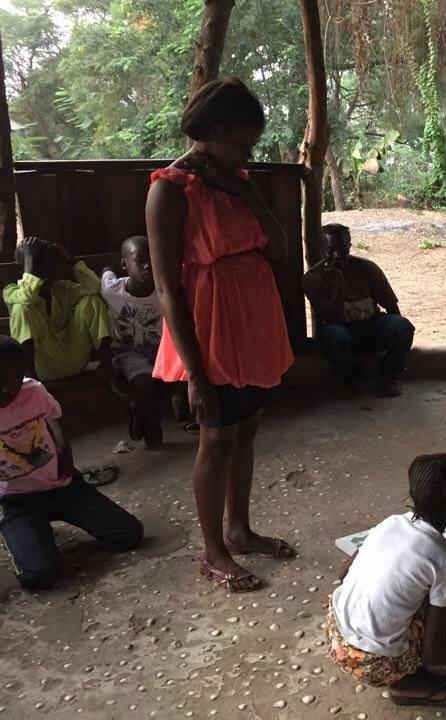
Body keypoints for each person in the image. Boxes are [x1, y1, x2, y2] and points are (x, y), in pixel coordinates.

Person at [146, 78, 295, 593]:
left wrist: (242, 186)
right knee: (216, 437)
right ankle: (212, 551)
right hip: (210, 327)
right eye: (239, 142)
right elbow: (166, 286)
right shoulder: (168, 188)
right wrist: (194, 371)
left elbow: (278, 245)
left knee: (247, 427)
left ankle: (239, 530)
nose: (245, 152)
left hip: (252, 320)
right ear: (209, 132)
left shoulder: (238, 182)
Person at [327, 453, 446, 707]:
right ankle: (406, 682)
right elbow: (435, 653)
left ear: (412, 494)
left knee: (417, 585)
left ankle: (394, 648)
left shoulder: (390, 523)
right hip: (372, 663)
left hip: (334, 634)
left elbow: (343, 574)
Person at [0, 336, 143, 590]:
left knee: (129, 534)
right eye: (0, 381)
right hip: (16, 499)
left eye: (15, 380)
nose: (7, 389)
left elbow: (52, 417)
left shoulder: (32, 390)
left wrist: (65, 453)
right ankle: (25, 532)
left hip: (63, 485)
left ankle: (42, 527)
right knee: (39, 576)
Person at [101, 236, 195, 448]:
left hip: (161, 348)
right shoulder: (112, 290)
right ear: (125, 265)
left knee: (181, 366)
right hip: (129, 351)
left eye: (152, 259)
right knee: (143, 380)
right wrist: (106, 267)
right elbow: (105, 272)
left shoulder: (164, 291)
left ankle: (154, 409)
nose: (148, 265)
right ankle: (152, 423)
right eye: (140, 260)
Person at [303, 223, 415, 397]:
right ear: (321, 249)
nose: (338, 255)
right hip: (341, 332)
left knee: (403, 326)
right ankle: (350, 378)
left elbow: (391, 306)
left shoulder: (367, 268)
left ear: (350, 246)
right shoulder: (312, 278)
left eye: (343, 249)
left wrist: (398, 345)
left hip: (371, 326)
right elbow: (333, 317)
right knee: (332, 335)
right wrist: (338, 281)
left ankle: (389, 376)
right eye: (331, 249)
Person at [4, 237, 114, 382]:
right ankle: (30, 381)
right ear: (22, 270)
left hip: (75, 359)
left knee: (92, 300)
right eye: (38, 268)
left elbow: (94, 286)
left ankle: (107, 366)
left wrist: (71, 261)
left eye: (49, 267)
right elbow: (27, 297)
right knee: (20, 310)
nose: (46, 274)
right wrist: (28, 258)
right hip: (43, 369)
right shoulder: (11, 292)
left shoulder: (62, 289)